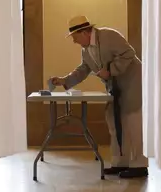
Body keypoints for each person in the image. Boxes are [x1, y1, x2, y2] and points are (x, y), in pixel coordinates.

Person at [49, 15, 148, 179]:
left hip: (133, 84)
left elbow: (129, 54)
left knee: (133, 124)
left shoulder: (109, 35)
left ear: (84, 33)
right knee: (113, 123)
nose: (74, 41)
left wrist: (111, 71)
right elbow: (83, 70)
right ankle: (119, 163)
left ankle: (139, 165)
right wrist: (64, 80)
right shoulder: (86, 50)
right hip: (115, 88)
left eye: (74, 37)